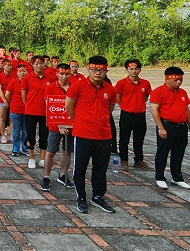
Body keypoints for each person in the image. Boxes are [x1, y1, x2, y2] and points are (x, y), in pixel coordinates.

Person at [66, 56, 117, 214]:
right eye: (94, 69)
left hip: (103, 135)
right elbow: (69, 106)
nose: (97, 72)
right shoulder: (78, 86)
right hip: (83, 134)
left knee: (100, 168)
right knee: (80, 168)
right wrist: (82, 121)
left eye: (101, 70)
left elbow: (110, 108)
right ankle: (81, 197)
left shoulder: (110, 89)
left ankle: (98, 196)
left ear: (106, 71)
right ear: (88, 69)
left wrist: (99, 120)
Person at [150, 67, 190, 189]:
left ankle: (177, 177)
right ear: (167, 79)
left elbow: (186, 110)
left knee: (179, 153)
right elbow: (154, 110)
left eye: (180, 79)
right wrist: (160, 127)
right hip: (166, 125)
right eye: (176, 80)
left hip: (181, 126)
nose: (179, 82)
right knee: (162, 152)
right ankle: (159, 177)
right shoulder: (159, 91)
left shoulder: (182, 92)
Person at [41, 64, 74, 191]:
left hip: (71, 125)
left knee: (67, 152)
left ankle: (63, 174)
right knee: (50, 152)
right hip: (55, 126)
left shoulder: (74, 87)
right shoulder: (50, 88)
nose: (64, 76)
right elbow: (49, 108)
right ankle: (46, 177)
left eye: (67, 74)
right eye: (61, 74)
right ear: (57, 74)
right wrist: (59, 125)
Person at [115, 59, 152, 169]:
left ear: (140, 70)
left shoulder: (145, 83)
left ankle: (139, 160)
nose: (134, 71)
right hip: (126, 114)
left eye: (136, 69)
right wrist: (127, 106)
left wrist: (138, 104)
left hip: (140, 114)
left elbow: (146, 97)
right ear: (126, 70)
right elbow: (118, 98)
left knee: (139, 139)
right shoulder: (121, 83)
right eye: (131, 69)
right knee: (124, 138)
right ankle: (124, 160)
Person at [22, 57, 49, 169]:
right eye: (36, 64)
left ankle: (42, 159)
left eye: (41, 63)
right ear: (32, 65)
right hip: (31, 111)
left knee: (44, 135)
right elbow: (24, 94)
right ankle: (31, 158)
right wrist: (29, 104)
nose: (39, 66)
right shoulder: (27, 78)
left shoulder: (50, 78)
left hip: (45, 112)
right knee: (30, 135)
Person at [5, 64, 29, 156]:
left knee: (25, 131)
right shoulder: (13, 82)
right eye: (20, 71)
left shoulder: (29, 82)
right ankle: (15, 149)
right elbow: (7, 95)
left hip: (27, 110)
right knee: (16, 130)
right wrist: (13, 103)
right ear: (17, 73)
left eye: (24, 71)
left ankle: (25, 148)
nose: (22, 73)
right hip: (15, 109)